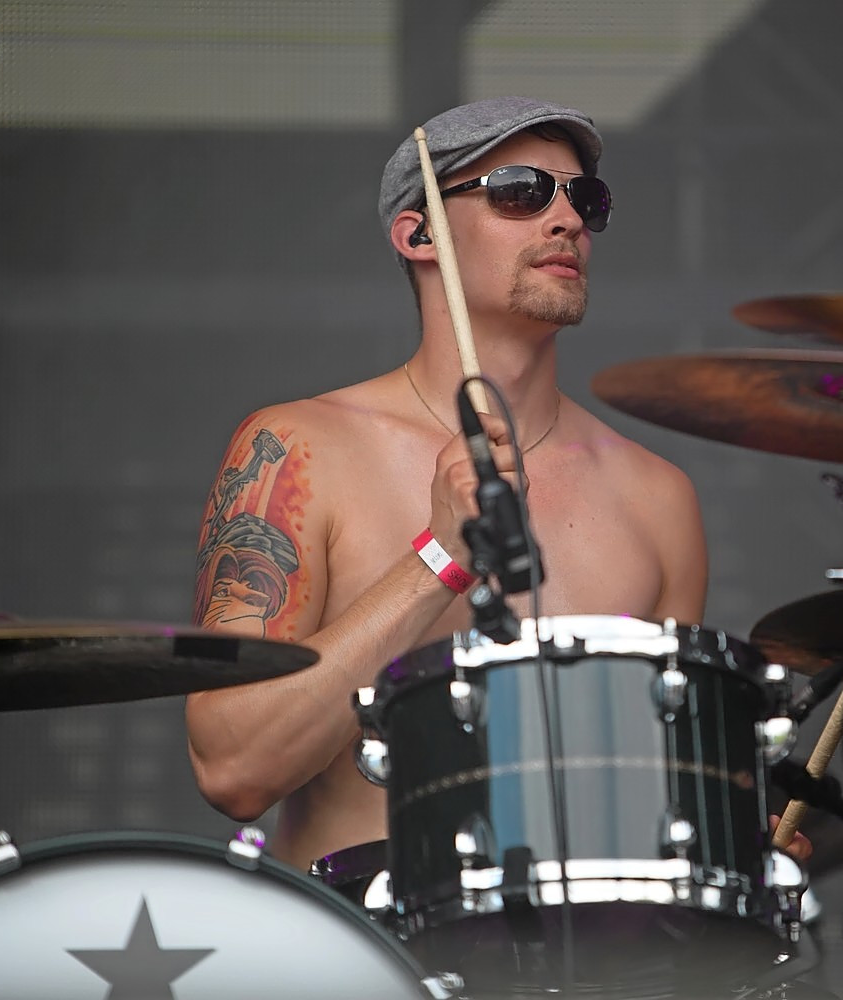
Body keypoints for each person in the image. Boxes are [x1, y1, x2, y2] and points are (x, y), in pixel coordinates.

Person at [184, 97, 721, 871]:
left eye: (585, 197)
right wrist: (438, 559)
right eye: (520, 191)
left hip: (583, 945)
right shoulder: (296, 451)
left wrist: (735, 818)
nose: (567, 218)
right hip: (360, 937)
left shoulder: (658, 498)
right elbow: (233, 768)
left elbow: (665, 785)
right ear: (419, 234)